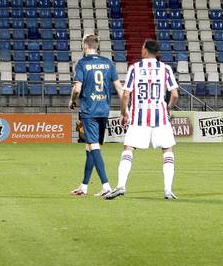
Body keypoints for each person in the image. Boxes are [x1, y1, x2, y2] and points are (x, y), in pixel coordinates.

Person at [106, 39, 180, 200]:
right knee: (167, 150)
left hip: (138, 116)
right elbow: (174, 95)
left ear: (145, 51)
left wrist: (123, 112)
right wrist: (169, 108)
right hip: (160, 116)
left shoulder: (135, 68)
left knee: (129, 148)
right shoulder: (165, 69)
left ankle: (120, 186)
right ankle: (168, 190)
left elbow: (126, 94)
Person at [68, 33, 118, 197]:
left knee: (93, 146)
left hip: (89, 110)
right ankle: (84, 186)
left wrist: (72, 100)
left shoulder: (82, 63)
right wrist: (126, 109)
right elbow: (119, 87)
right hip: (104, 109)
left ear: (84, 45)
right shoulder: (107, 62)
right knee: (90, 146)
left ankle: (106, 186)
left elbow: (77, 88)